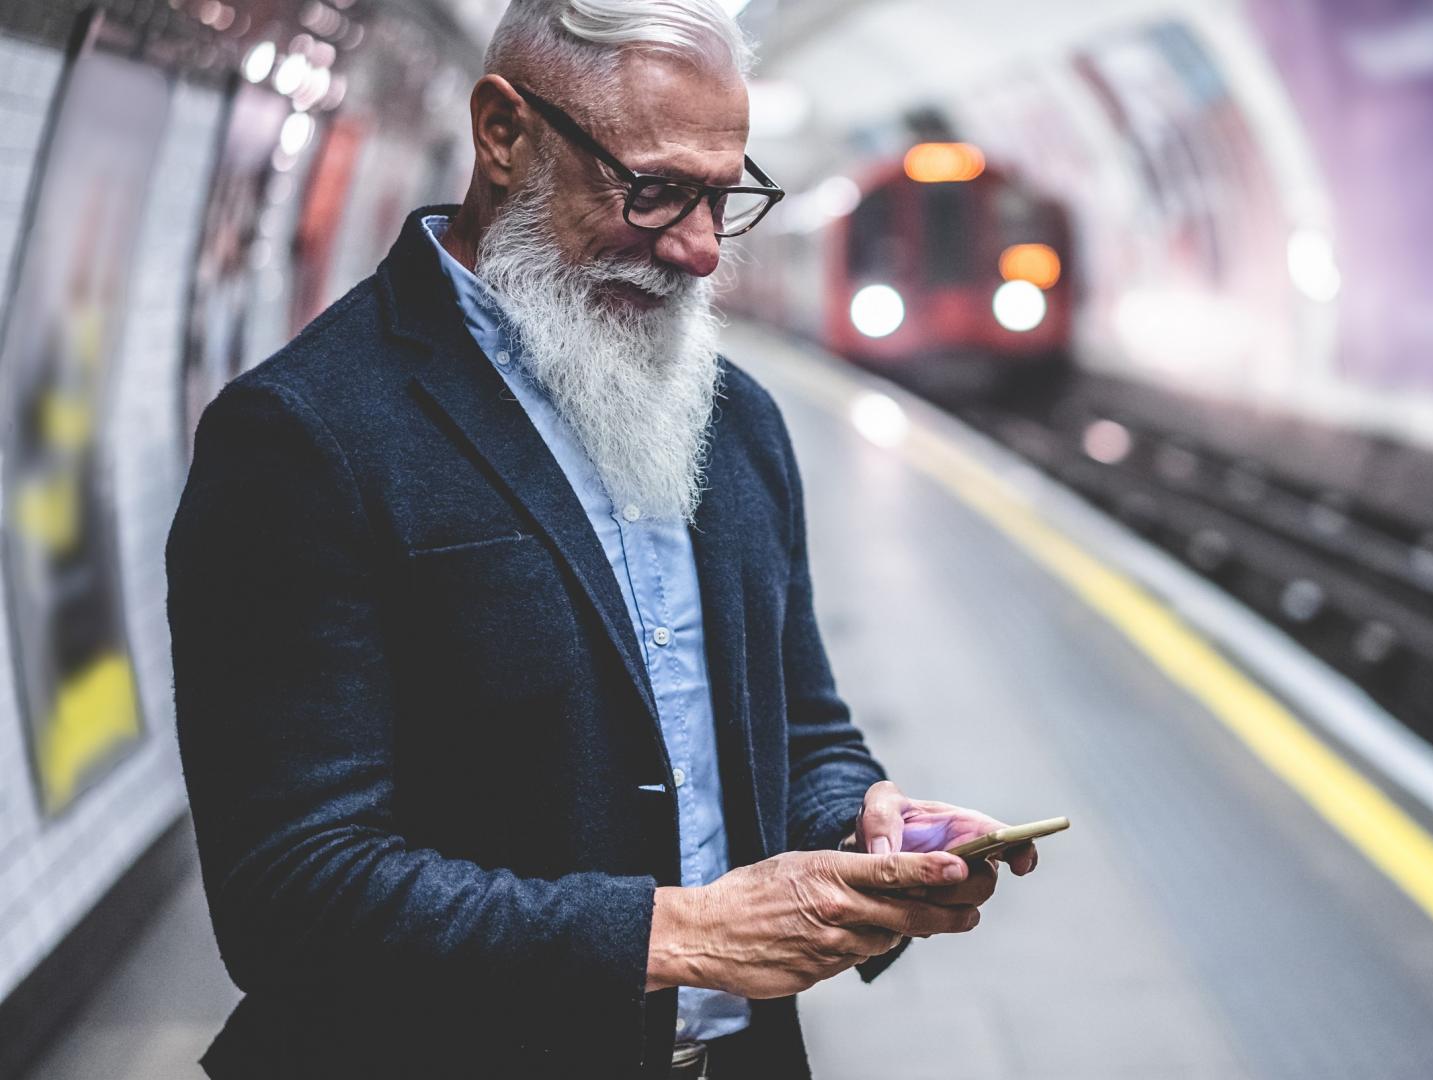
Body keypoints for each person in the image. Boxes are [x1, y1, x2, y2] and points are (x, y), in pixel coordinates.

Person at [165, 1, 1036, 1076]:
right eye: (657, 190)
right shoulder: (308, 436)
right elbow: (290, 894)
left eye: (725, 196)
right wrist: (675, 936)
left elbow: (799, 728)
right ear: (503, 132)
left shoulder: (733, 418)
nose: (702, 249)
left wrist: (862, 831)